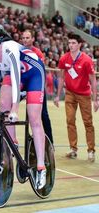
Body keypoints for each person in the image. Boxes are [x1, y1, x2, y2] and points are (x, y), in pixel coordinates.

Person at [0, 22, 47, 190]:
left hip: (33, 73)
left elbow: (16, 75)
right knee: (3, 108)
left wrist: (15, 109)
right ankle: (14, 146)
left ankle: (41, 167)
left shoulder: (9, 47)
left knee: (34, 119)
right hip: (13, 75)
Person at [55, 33, 98, 162]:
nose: (71, 45)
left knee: (88, 123)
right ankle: (73, 149)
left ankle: (91, 150)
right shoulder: (64, 58)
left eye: (73, 43)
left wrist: (95, 99)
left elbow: (93, 79)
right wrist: (57, 96)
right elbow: (61, 77)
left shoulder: (86, 59)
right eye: (69, 43)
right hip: (69, 93)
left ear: (79, 44)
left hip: (84, 94)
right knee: (70, 121)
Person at [21, 29, 54, 143]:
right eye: (24, 38)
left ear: (33, 39)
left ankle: (49, 142)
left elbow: (39, 72)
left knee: (43, 113)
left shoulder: (38, 53)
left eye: (28, 38)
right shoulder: (18, 50)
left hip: (36, 85)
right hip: (22, 84)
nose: (25, 40)